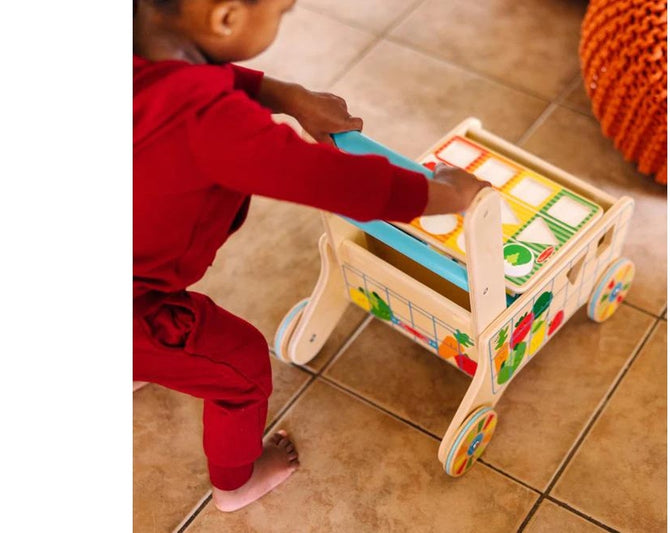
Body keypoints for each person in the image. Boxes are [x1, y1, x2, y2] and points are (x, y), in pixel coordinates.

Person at [133, 0, 489, 513]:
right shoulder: (208, 120)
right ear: (227, 17)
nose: (285, 16)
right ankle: (237, 483)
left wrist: (285, 95)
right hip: (134, 304)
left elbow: (196, 77)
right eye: (283, 11)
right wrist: (443, 193)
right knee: (242, 366)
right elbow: (326, 177)